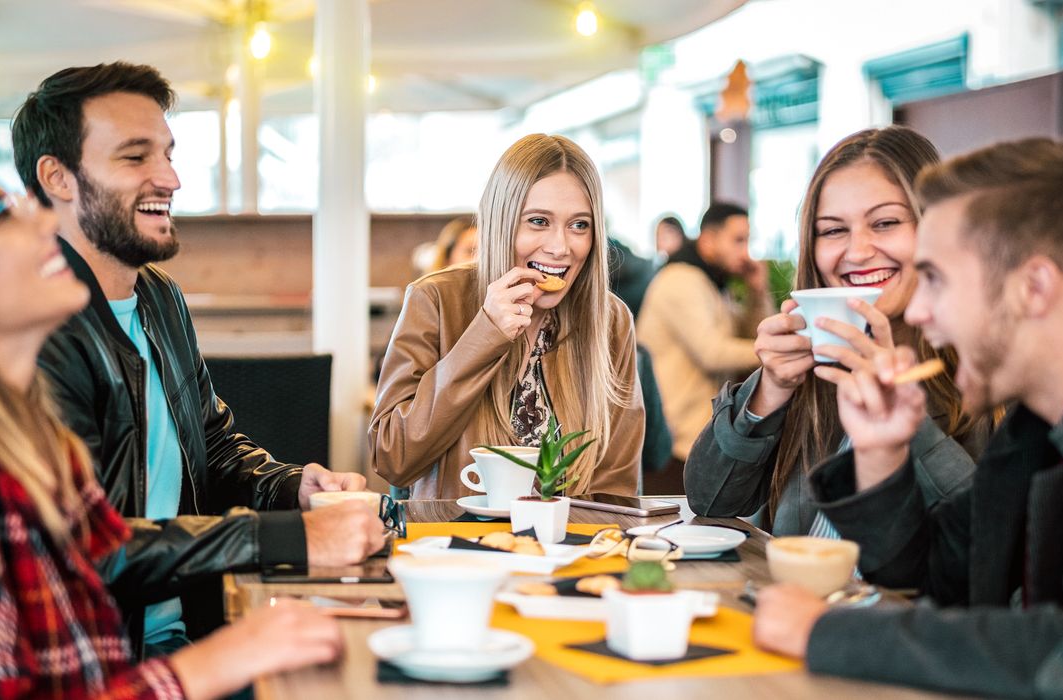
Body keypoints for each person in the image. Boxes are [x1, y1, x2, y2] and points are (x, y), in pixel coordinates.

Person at [12, 62, 386, 656]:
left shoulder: (160, 297)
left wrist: (293, 489)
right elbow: (85, 549)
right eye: (136, 157)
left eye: (168, 153)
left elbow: (210, 449)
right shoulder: (32, 332)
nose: (171, 178)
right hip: (109, 659)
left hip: (195, 629)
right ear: (58, 177)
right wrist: (290, 537)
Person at [0, 176, 343, 699]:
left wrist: (292, 493)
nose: (42, 219)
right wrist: (218, 660)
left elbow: (102, 552)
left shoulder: (37, 442)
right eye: (4, 214)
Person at [753, 138, 1063, 698]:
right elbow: (931, 580)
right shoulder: (1030, 435)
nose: (920, 310)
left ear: (1034, 287)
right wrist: (882, 454)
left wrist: (828, 633)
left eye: (937, 279)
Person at [684, 127, 982, 534]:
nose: (857, 252)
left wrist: (905, 421)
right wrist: (770, 389)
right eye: (833, 230)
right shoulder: (811, 368)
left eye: (886, 222)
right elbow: (710, 500)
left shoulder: (987, 374)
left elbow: (988, 544)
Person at [371, 133, 644, 498]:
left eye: (579, 225)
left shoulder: (609, 320)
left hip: (570, 548)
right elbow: (393, 459)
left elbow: (616, 487)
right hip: (456, 545)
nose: (560, 247)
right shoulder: (436, 299)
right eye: (538, 221)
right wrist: (485, 335)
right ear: (502, 222)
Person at [637, 202, 771, 493]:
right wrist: (777, 351)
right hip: (673, 446)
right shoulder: (681, 280)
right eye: (738, 240)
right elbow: (714, 353)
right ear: (709, 239)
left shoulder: (710, 284)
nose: (746, 252)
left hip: (696, 441)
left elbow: (752, 333)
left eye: (748, 241)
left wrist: (757, 292)